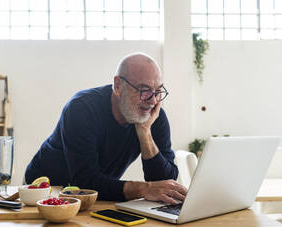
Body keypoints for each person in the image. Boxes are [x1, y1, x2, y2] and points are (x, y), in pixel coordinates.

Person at [25, 52, 188, 203]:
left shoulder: (153, 116)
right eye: (144, 90)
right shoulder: (82, 109)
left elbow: (164, 181)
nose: (152, 100)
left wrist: (145, 132)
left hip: (93, 196)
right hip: (44, 190)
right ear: (118, 86)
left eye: (158, 91)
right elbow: (85, 182)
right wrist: (144, 189)